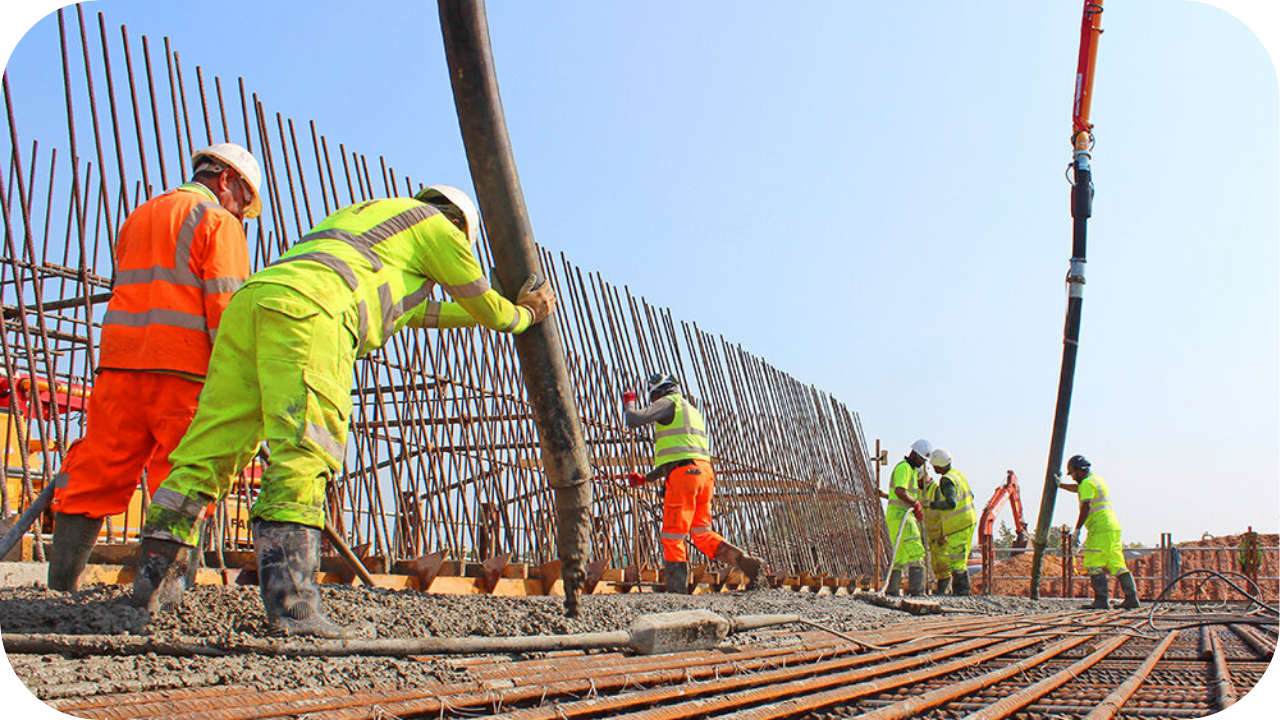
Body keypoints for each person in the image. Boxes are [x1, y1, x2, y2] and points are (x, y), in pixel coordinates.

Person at [130, 185, 557, 636]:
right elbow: (489, 308)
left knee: (207, 451)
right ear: (460, 229)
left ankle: (152, 596)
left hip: (254, 303)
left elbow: (423, 313)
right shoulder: (439, 229)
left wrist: (478, 313)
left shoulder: (370, 221)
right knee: (305, 452)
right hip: (312, 312)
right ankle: (294, 612)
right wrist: (525, 314)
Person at [45, 143, 262, 592]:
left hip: (120, 369)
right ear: (226, 181)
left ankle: (60, 588)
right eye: (243, 200)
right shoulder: (217, 221)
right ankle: (162, 599)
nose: (241, 213)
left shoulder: (140, 216)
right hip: (184, 374)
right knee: (182, 478)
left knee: (96, 471)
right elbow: (227, 308)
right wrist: (241, 380)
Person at [622, 372, 763, 593]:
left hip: (684, 476)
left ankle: (677, 590)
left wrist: (629, 403)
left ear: (659, 391)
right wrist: (647, 478)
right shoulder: (690, 411)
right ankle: (746, 562)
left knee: (672, 535)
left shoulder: (669, 402)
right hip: (704, 474)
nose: (654, 403)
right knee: (701, 533)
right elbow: (680, 454)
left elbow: (634, 420)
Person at [1057, 454, 1139, 609]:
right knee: (1116, 563)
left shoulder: (1087, 483)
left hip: (1100, 528)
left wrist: (1077, 529)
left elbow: (1086, 506)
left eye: (1073, 475)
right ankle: (1132, 598)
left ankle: (1101, 600)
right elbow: (1078, 488)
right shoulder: (1096, 480)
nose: (1073, 478)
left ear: (1079, 471)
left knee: (1093, 562)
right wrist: (1061, 486)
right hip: (1113, 527)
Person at [923, 448, 977, 596]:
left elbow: (951, 503)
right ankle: (961, 594)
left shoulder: (946, 480)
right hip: (968, 520)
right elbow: (971, 495)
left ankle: (962, 594)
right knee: (959, 560)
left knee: (956, 562)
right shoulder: (957, 474)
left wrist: (931, 504)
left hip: (958, 525)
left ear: (938, 466)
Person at [884, 439, 931, 596]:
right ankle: (917, 591)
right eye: (922, 459)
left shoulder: (910, 471)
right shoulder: (904, 468)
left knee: (900, 556)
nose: (922, 463)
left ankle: (892, 591)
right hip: (901, 515)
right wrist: (916, 504)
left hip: (897, 516)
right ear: (914, 454)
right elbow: (900, 491)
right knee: (916, 551)